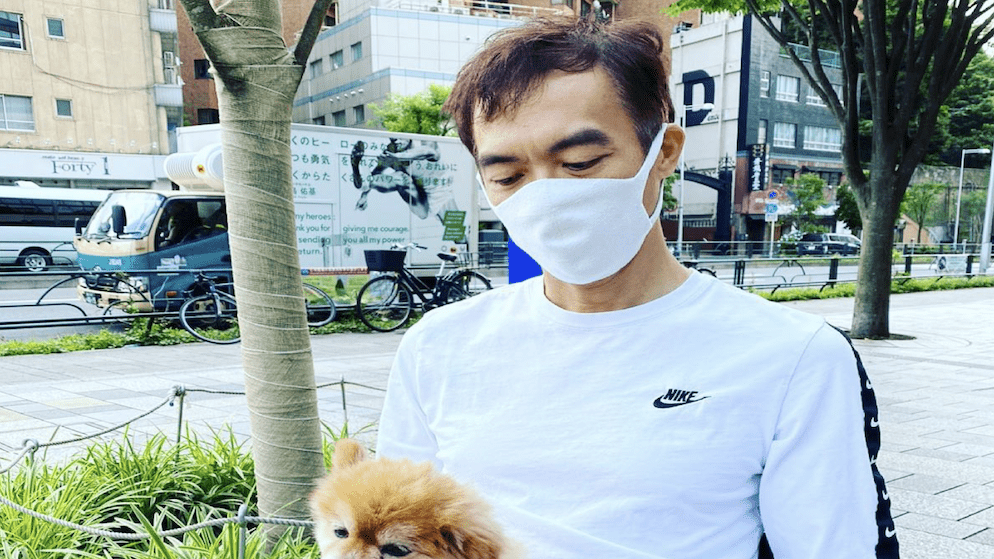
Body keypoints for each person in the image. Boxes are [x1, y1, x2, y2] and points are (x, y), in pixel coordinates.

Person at [375, 15, 898, 559]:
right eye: (508, 176)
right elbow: (396, 534)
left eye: (580, 162)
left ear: (664, 151)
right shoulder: (437, 346)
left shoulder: (792, 356)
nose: (546, 196)